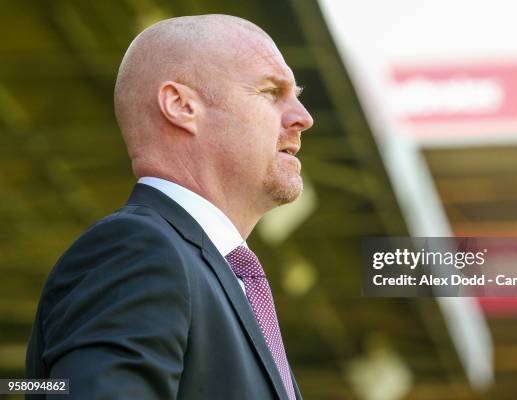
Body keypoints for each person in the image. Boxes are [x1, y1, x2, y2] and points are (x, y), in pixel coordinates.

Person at [25, 14, 313, 399]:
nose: (303, 118)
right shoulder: (138, 250)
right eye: (270, 92)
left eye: (297, 95)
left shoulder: (211, 273)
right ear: (180, 106)